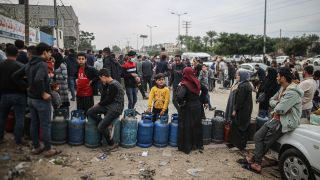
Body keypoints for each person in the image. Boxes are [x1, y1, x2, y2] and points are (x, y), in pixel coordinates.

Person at [242, 67, 303, 174]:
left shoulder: (293, 92)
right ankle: (255, 159)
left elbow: (281, 109)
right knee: (258, 136)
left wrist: (278, 104)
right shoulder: (282, 88)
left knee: (266, 142)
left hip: (283, 121)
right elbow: (271, 100)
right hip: (275, 118)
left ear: (283, 77)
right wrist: (278, 102)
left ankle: (257, 163)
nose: (277, 77)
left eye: (278, 76)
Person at [16, 42, 61, 157]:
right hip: (41, 100)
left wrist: (27, 86)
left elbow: (16, 76)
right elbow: (38, 80)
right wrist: (43, 93)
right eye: (50, 52)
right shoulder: (42, 64)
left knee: (34, 123)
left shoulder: (30, 62)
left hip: (31, 99)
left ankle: (36, 147)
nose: (51, 54)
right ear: (45, 52)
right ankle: (48, 149)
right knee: (45, 125)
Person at [87, 68, 124, 151]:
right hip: (109, 106)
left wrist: (98, 104)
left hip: (116, 109)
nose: (100, 80)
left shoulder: (114, 85)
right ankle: (105, 124)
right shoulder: (109, 83)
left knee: (100, 127)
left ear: (103, 76)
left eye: (100, 78)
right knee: (90, 111)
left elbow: (108, 100)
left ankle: (112, 144)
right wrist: (104, 85)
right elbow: (104, 98)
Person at [0, 45, 27, 145]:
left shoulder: (1, 65)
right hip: (19, 95)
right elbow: (26, 81)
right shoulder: (21, 66)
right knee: (19, 117)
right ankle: (18, 140)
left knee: (2, 117)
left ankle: (1, 137)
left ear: (6, 53)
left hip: (4, 95)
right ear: (17, 54)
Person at [176, 67, 204, 154]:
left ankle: (187, 146)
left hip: (188, 107)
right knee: (196, 125)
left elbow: (179, 96)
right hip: (197, 106)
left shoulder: (184, 84)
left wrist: (181, 103)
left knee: (187, 127)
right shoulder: (197, 81)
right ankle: (197, 145)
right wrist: (202, 100)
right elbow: (205, 90)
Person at [227, 70, 253, 151]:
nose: (236, 76)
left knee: (240, 127)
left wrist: (235, 110)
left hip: (242, 110)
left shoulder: (243, 86)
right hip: (246, 109)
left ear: (242, 76)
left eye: (238, 75)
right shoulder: (246, 84)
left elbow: (240, 100)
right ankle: (239, 144)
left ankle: (240, 145)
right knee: (242, 126)